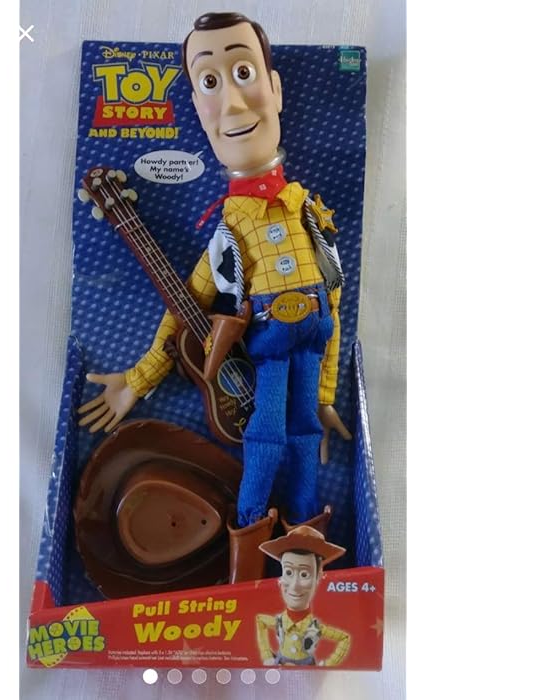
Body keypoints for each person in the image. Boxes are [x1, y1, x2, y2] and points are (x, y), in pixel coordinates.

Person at [78, 12, 350, 581]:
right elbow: (185, 307)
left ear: (275, 89)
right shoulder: (230, 230)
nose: (231, 102)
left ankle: (304, 556)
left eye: (244, 72)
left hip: (311, 346)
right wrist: (139, 379)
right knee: (265, 438)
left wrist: (328, 394)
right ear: (199, 111)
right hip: (268, 356)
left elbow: (334, 296)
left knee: (304, 437)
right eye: (209, 82)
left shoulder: (308, 211)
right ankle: (248, 560)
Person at [256, 523, 350, 666]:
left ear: (318, 577)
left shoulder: (315, 628)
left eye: (304, 574)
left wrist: (326, 665)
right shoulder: (279, 622)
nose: (294, 585)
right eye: (288, 572)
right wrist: (267, 656)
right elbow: (260, 621)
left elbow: (344, 638)